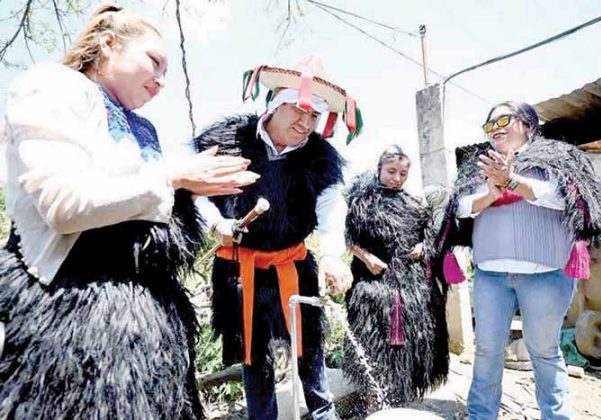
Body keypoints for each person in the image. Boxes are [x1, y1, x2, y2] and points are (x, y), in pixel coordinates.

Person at [0, 4, 257, 418]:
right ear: (108, 44)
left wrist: (198, 198)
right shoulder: (52, 87)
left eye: (166, 73)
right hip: (78, 318)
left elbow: (151, 198)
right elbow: (63, 204)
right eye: (153, 62)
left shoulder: (142, 127)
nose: (161, 81)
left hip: (148, 327)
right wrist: (174, 176)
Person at [193, 56, 360, 420]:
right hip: (241, 271)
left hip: (292, 265)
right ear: (275, 105)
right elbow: (195, 192)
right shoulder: (227, 142)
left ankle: (323, 414)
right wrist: (216, 225)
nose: (306, 123)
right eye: (299, 110)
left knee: (309, 348)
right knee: (254, 357)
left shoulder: (319, 158)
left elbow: (331, 205)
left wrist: (331, 256)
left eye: (314, 115)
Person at [438, 101, 601, 420]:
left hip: (545, 275)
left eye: (503, 120)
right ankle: (481, 415)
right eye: (489, 125)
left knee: (543, 351)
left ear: (527, 124)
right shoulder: (479, 164)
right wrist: (491, 193)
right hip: (490, 276)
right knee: (487, 351)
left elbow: (564, 198)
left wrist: (511, 180)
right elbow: (459, 207)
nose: (495, 129)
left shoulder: (557, 157)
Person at [343, 145, 449, 410]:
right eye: (391, 171)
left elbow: (430, 234)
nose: (397, 178)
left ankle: (400, 402)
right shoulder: (362, 201)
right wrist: (366, 257)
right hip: (373, 287)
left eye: (403, 173)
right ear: (379, 169)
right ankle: (374, 403)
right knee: (374, 345)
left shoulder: (413, 203)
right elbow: (348, 237)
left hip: (410, 288)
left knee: (408, 349)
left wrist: (424, 246)